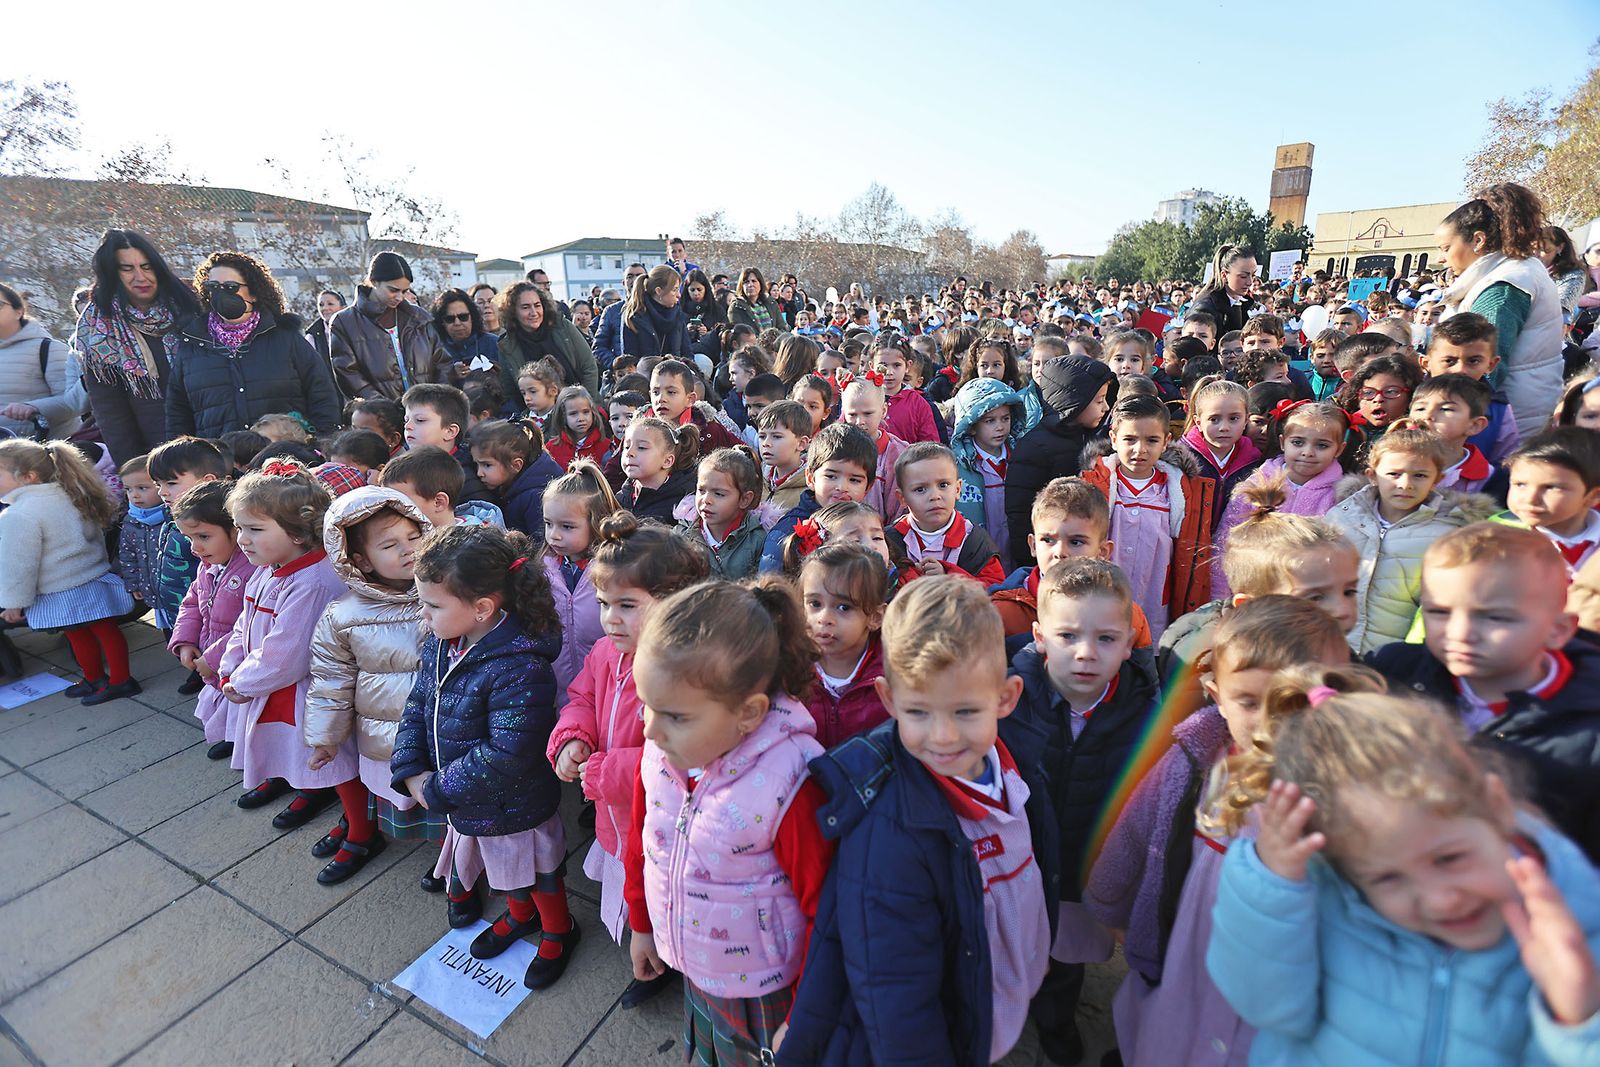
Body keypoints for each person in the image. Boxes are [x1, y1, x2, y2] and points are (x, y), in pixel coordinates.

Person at [1204, 673, 1600, 1065]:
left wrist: (1579, 1020)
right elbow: (1267, 1009)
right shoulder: (1327, 899)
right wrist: (1271, 888)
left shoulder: (1575, 918)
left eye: (1449, 858)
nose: (1440, 900)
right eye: (1387, 878)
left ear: (1496, 805)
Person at [782, 577, 1055, 1065]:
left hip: (1000, 989)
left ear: (1006, 698)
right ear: (888, 701)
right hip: (960, 1020)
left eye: (966, 711)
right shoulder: (889, 839)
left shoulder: (1020, 762)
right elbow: (896, 997)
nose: (944, 736)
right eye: (919, 712)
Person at [1086, 599, 1352, 1067]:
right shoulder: (1197, 760)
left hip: (1277, 967)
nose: (1269, 720)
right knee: (1171, 1027)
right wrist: (1110, 900)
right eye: (1249, 701)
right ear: (1215, 692)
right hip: (1188, 939)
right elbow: (1138, 827)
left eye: (1291, 703)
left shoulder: (1344, 790)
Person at [623, 579, 834, 1065]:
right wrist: (642, 923)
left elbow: (826, 910)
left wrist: (805, 1013)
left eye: (675, 716)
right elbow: (644, 840)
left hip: (764, 989)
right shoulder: (663, 751)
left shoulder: (790, 783)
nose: (649, 728)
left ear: (748, 714)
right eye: (646, 704)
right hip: (696, 961)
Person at [392, 524, 579, 988]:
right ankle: (520, 916)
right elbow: (420, 703)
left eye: (433, 604)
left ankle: (559, 928)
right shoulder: (444, 640)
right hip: (470, 798)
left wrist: (435, 788)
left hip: (515, 803)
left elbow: (507, 754)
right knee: (505, 873)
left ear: (481, 608)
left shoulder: (521, 666)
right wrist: (409, 764)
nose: (424, 612)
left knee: (538, 872)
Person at [546, 513, 709, 1006]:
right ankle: (649, 948)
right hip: (616, 820)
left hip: (662, 828)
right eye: (602, 603)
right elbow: (581, 698)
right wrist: (573, 736)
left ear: (675, 603)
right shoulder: (605, 652)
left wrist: (597, 771)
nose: (609, 618)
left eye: (626, 605)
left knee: (666, 898)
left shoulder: (690, 674)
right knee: (634, 890)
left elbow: (673, 764)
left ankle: (670, 961)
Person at [1368, 522, 1600, 860]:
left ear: (1557, 630)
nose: (1461, 633)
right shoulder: (1391, 674)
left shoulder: (1590, 731)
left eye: (1495, 618)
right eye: (1439, 612)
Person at [1005, 558, 1158, 1064]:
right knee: (1008, 946)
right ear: (1040, 635)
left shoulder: (1142, 709)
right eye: (1068, 635)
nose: (1087, 653)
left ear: (1130, 639)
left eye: (1107, 639)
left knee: (1064, 959)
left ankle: (1055, 1020)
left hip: (1081, 869)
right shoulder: (1010, 697)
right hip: (1019, 865)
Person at [303, 487, 432, 884]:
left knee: (452, 805)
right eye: (390, 545)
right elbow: (331, 679)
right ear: (357, 559)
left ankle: (457, 867)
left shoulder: (449, 590)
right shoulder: (342, 615)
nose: (408, 550)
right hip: (386, 734)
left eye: (415, 537)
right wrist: (325, 737)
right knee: (414, 803)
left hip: (445, 729)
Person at [216, 461, 350, 836]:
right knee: (287, 748)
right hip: (267, 681)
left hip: (305, 690)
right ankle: (290, 779)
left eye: (255, 529)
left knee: (322, 757)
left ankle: (355, 824)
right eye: (240, 527)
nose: (242, 539)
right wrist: (233, 664)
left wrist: (241, 682)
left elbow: (288, 654)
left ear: (297, 531)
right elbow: (244, 622)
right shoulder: (268, 566)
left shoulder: (313, 582)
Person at [1329, 424, 1493, 653]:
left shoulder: (1449, 534)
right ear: (1372, 476)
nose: (1405, 484)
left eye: (1420, 475)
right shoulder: (1341, 517)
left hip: (1398, 658)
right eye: (1394, 474)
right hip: (1335, 647)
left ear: (1437, 479)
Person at [0, 438, 136, 704]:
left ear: (28, 476)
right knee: (99, 630)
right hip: (91, 577)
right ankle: (99, 678)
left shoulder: (19, 514)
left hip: (60, 586)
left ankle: (117, 681)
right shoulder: (71, 494)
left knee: (83, 633)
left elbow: (18, 564)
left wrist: (13, 603)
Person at [1079, 395, 1216, 642]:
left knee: (1147, 658)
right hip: (1104, 595)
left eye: (1151, 440)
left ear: (1166, 442)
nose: (1139, 449)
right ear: (1113, 438)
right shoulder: (1096, 484)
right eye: (1130, 439)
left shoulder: (1180, 491)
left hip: (1155, 601)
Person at [166, 252, 341, 439]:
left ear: (255, 292)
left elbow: (322, 396)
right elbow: (177, 413)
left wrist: (323, 445)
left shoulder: (286, 338)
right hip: (219, 463)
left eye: (231, 287)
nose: (220, 293)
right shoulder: (191, 344)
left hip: (284, 461)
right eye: (213, 286)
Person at [1436, 183, 1564, 436]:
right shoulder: (1516, 271)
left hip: (1502, 419)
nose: (1442, 258)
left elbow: (1482, 367)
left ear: (1478, 240)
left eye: (1446, 248)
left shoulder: (1504, 285)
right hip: (1517, 409)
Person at [72, 229, 202, 465]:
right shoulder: (100, 324)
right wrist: (134, 467)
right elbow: (110, 411)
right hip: (160, 451)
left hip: (213, 434)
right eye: (127, 269)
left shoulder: (192, 303)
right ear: (112, 273)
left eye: (147, 266)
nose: (141, 277)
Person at [1004, 356, 1116, 565]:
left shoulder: (1094, 439)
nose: (1107, 407)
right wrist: (1030, 562)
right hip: (1051, 557)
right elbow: (1019, 514)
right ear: (1074, 403)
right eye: (1099, 400)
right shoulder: (1034, 447)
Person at [537, 460, 620, 707]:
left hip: (608, 692)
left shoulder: (615, 571)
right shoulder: (543, 572)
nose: (554, 535)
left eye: (567, 526)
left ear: (597, 522)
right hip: (557, 697)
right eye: (548, 524)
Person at [795, 541, 890, 748]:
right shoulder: (790, 670)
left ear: (874, 617)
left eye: (843, 607)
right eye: (815, 604)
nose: (824, 618)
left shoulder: (894, 673)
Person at [329, 252, 450, 401]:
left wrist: (434, 403)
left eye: (404, 291)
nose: (399, 297)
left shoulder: (419, 317)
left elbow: (442, 364)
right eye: (393, 290)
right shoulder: (344, 322)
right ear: (374, 281)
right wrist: (386, 410)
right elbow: (349, 376)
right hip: (378, 419)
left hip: (426, 415)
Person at [759, 423, 878, 574]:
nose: (842, 487)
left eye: (854, 480)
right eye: (831, 476)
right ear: (810, 478)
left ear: (868, 486)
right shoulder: (786, 532)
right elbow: (771, 589)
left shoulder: (871, 530)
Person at [891, 442, 1004, 584]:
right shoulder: (890, 540)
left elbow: (995, 588)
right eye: (920, 489)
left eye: (943, 485)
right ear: (902, 498)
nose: (935, 496)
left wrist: (950, 577)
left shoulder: (973, 539)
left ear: (957, 489)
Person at [1177, 378, 1262, 530]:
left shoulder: (1256, 462)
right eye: (1214, 419)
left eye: (1234, 418)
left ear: (1246, 420)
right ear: (1198, 422)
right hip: (1185, 547)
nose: (1224, 427)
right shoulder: (1180, 459)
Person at [0, 282, 80, 439]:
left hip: (35, 454)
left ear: (19, 311)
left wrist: (33, 407)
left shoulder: (48, 349)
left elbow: (75, 403)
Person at [496, 280, 598, 401]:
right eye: (525, 307)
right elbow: (510, 392)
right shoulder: (507, 345)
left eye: (537, 305)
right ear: (513, 312)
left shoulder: (562, 326)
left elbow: (589, 367)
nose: (534, 312)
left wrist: (583, 404)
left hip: (580, 406)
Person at [675, 447, 765, 580]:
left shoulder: (757, 540)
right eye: (701, 490)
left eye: (718, 494)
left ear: (745, 499)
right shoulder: (681, 535)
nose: (706, 500)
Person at [470, 418, 563, 540]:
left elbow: (543, 545)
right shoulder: (509, 483)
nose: (479, 473)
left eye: (487, 465)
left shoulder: (536, 497)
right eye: (477, 464)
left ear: (516, 465)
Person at [403, 383, 491, 504]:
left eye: (420, 420)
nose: (408, 426)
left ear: (450, 431)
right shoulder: (405, 470)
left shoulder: (466, 481)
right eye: (406, 420)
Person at [616, 416, 698, 524]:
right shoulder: (621, 497)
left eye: (641, 447)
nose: (629, 453)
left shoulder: (683, 506)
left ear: (667, 461)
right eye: (626, 447)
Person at [755, 400, 813, 527]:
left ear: (801, 443)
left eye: (776, 436)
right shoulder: (757, 478)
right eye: (762, 436)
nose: (766, 443)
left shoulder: (810, 490)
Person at [1186, 245, 1260, 338]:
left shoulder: (1245, 302)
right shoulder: (1205, 308)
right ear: (1224, 275)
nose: (1250, 282)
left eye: (1253, 275)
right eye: (1243, 276)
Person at [622, 265, 691, 362]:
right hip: (646, 374)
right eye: (674, 289)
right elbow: (631, 361)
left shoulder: (678, 315)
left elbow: (687, 354)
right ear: (658, 291)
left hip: (676, 374)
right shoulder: (635, 317)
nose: (679, 295)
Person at [432, 288, 499, 383]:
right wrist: (450, 374)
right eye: (450, 319)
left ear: (472, 316)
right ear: (442, 322)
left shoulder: (493, 343)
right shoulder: (436, 349)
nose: (457, 323)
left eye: (463, 317)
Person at [544, 385, 608, 470]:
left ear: (593, 412)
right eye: (573, 414)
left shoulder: (606, 446)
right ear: (563, 416)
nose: (581, 419)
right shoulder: (551, 448)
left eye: (586, 412)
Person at [727, 267, 785, 332]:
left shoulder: (771, 303)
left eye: (754, 281)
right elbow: (738, 334)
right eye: (746, 282)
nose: (750, 285)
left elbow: (782, 328)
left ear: (760, 283)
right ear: (741, 286)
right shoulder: (736, 307)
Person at [305, 289, 345, 382]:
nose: (325, 308)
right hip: (330, 389)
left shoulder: (355, 329)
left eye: (330, 304)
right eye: (321, 305)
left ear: (343, 308)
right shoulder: (312, 337)